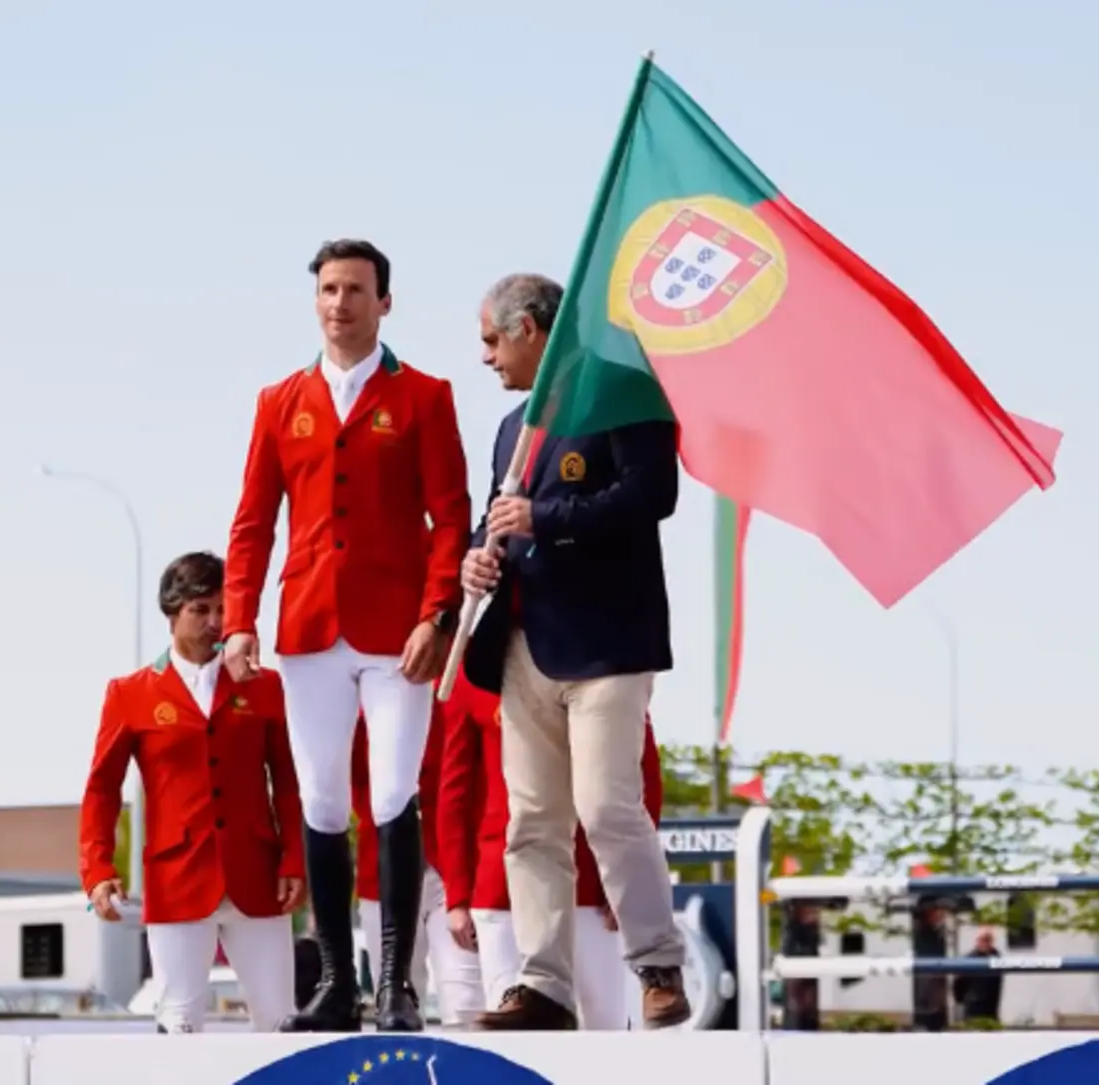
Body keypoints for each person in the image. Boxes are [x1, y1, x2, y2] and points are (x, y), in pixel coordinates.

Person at [221, 238, 471, 1033]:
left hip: (399, 633)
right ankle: (335, 983)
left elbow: (452, 518)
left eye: (356, 289)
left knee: (394, 794)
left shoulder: (425, 395)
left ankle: (396, 984)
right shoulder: (279, 400)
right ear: (316, 299)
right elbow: (252, 523)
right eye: (329, 289)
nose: (340, 303)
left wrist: (438, 614)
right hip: (308, 629)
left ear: (384, 302)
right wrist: (238, 619)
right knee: (323, 798)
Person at [459, 272, 689, 1031]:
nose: (486, 357)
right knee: (532, 820)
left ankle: (657, 963)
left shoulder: (624, 392)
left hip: (608, 643)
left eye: (492, 340)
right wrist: (475, 559)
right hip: (524, 640)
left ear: (529, 330)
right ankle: (543, 984)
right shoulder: (511, 427)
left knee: (607, 806)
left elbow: (652, 494)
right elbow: (496, 517)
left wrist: (547, 518)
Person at [79, 551, 306, 1034]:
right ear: (171, 613)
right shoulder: (129, 693)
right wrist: (98, 870)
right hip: (177, 879)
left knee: (279, 1020)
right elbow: (102, 789)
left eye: (223, 610)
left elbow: (287, 781)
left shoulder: (264, 686)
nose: (215, 622)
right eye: (200, 610)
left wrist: (293, 859)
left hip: (258, 875)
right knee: (179, 1022)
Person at [437, 670, 664, 1029]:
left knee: (606, 1025)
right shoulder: (472, 678)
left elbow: (644, 782)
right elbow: (454, 795)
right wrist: (458, 897)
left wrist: (626, 882)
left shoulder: (606, 667)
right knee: (510, 1030)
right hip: (500, 890)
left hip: (592, 888)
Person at [351, 704, 485, 1025]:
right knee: (393, 1006)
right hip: (383, 873)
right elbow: (352, 781)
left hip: (453, 869)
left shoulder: (455, 695)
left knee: (465, 1002)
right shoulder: (360, 707)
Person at [953, 929, 1002, 1023]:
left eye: (986, 940)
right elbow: (958, 982)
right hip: (973, 1004)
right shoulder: (970, 959)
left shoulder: (995, 957)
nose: (983, 943)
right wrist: (961, 999)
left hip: (990, 1005)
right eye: (981, 940)